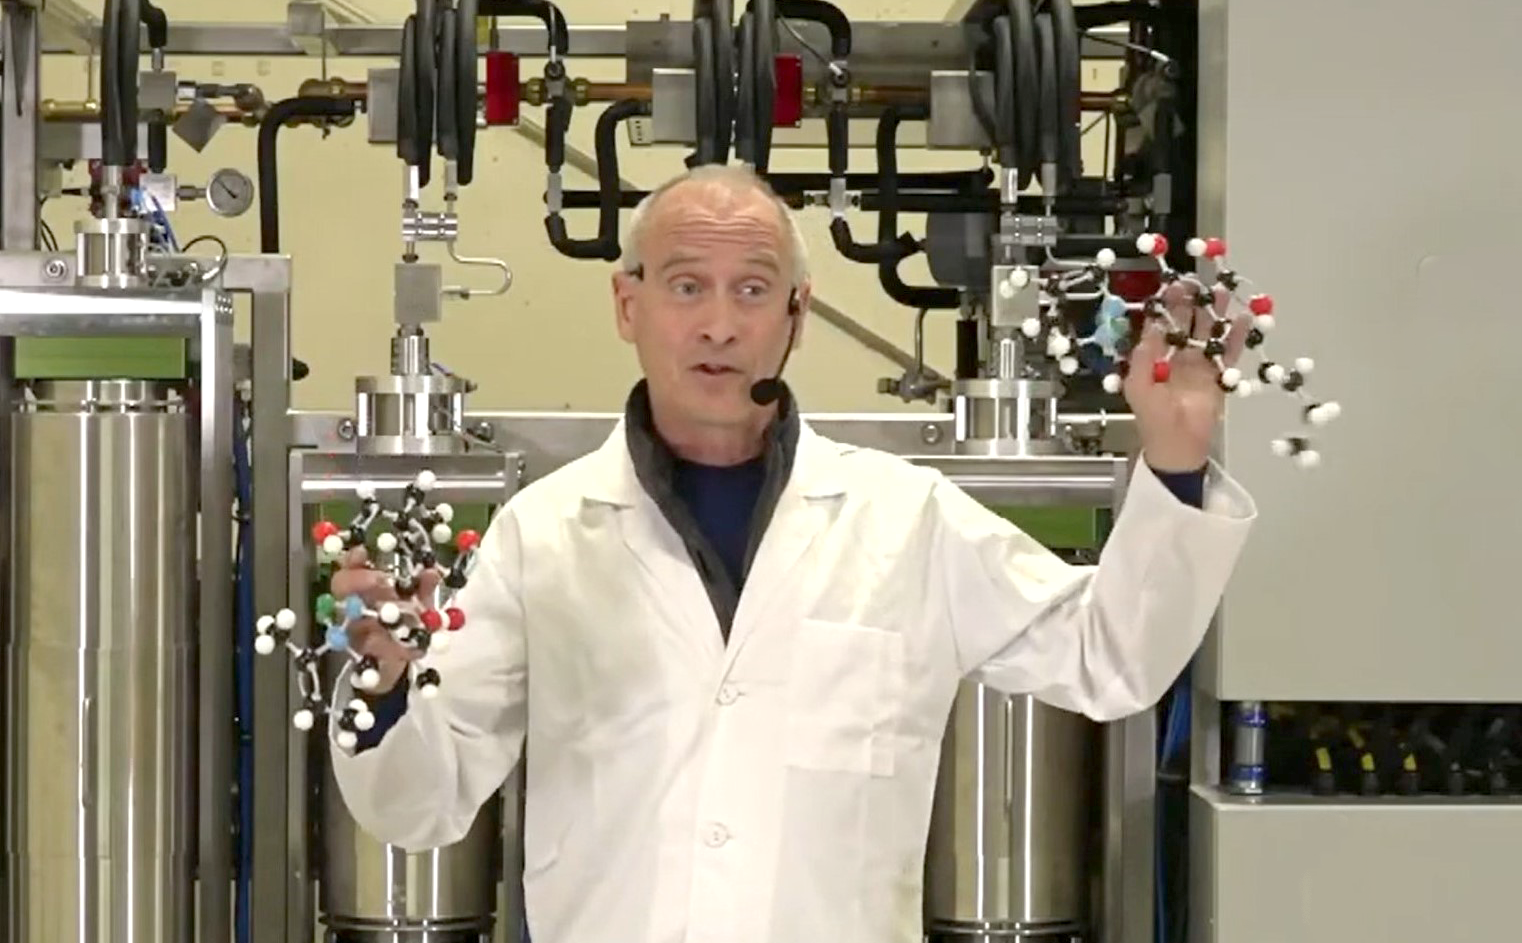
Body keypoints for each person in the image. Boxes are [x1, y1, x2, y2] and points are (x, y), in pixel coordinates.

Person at [327, 163, 1256, 943]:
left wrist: (1174, 456)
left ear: (798, 313)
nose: (720, 325)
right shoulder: (546, 533)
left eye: (753, 289)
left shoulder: (907, 518)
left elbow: (1110, 655)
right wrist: (384, 684)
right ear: (628, 303)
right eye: (687, 286)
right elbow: (422, 802)